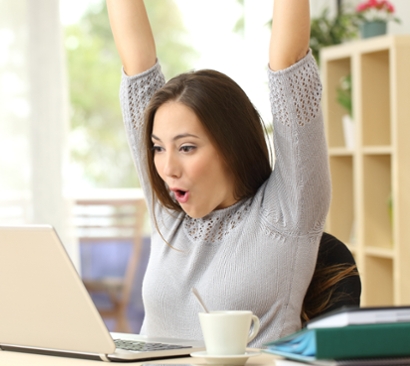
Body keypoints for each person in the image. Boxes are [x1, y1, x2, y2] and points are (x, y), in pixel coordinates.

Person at [106, 0, 330, 346]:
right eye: (157, 147)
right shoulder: (169, 210)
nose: (167, 168)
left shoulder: (287, 211)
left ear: (231, 147)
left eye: (187, 148)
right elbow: (136, 65)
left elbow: (289, 66)